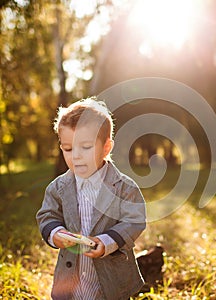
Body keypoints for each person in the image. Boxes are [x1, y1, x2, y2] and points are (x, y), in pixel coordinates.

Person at [36, 97, 146, 300]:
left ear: (106, 147)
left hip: (110, 279)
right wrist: (55, 233)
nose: (76, 156)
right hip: (72, 278)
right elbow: (47, 215)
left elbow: (135, 220)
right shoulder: (58, 188)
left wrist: (108, 241)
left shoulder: (124, 187)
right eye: (68, 149)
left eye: (85, 147)